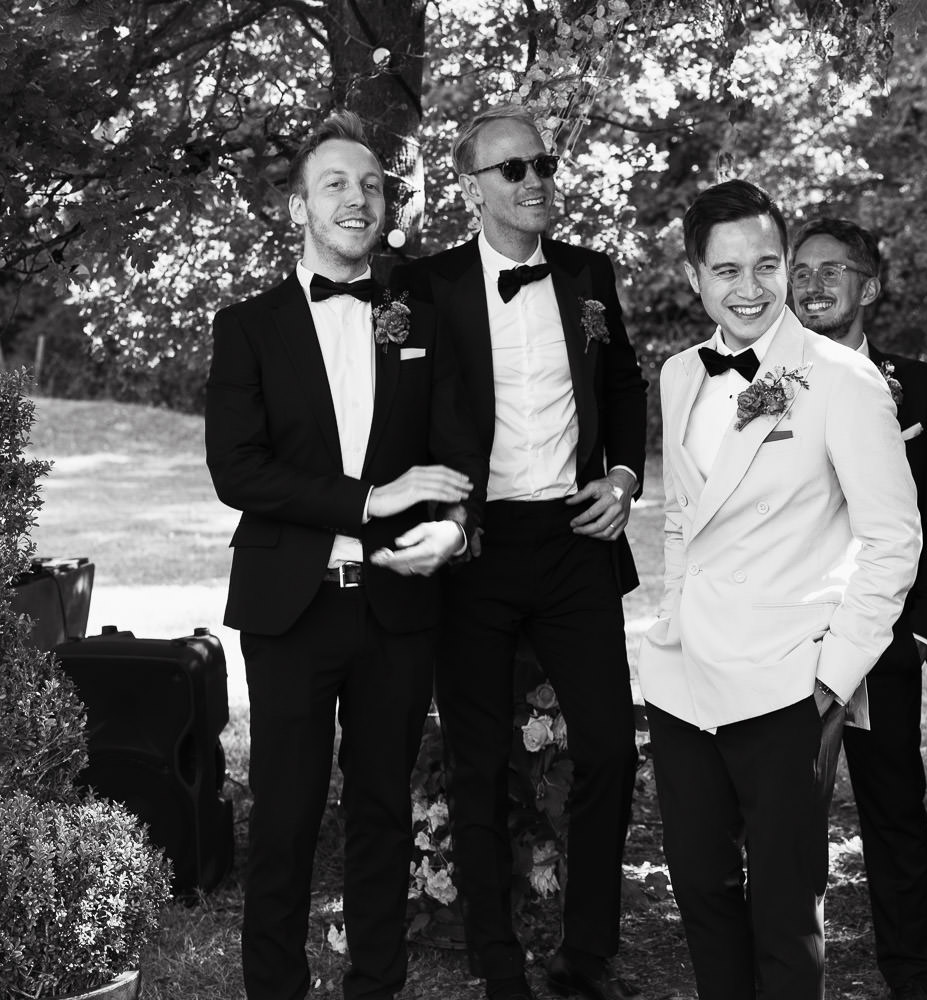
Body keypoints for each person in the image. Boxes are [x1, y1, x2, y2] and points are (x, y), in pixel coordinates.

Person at [205, 110, 484, 1000]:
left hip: (399, 607)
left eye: (371, 185)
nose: (358, 199)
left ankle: (376, 985)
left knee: (381, 812)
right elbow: (237, 469)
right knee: (283, 818)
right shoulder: (246, 326)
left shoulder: (421, 314)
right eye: (336, 184)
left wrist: (449, 527)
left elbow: (457, 447)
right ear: (299, 206)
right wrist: (371, 500)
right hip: (292, 604)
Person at [639, 179, 921, 1000]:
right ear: (694, 278)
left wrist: (832, 677)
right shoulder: (679, 374)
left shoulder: (840, 378)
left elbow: (893, 540)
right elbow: (686, 518)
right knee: (701, 892)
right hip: (682, 679)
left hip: (786, 682)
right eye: (726, 271)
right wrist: (673, 613)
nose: (751, 288)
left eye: (767, 264)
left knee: (787, 911)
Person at [389, 105, 647, 1000]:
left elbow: (621, 386)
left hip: (576, 541)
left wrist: (622, 479)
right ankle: (496, 962)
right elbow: (400, 412)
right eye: (513, 170)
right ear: (472, 187)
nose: (535, 180)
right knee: (476, 757)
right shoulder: (425, 286)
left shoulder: (587, 274)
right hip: (477, 547)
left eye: (543, 163)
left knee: (612, 746)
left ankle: (587, 957)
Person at [790, 218, 927, 1000]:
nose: (814, 285)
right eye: (801, 271)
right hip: (788, 632)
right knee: (783, 812)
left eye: (835, 270)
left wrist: (921, 632)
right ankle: (790, 970)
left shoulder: (918, 387)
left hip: (885, 637)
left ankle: (909, 975)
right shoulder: (767, 384)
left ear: (872, 285)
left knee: (893, 807)